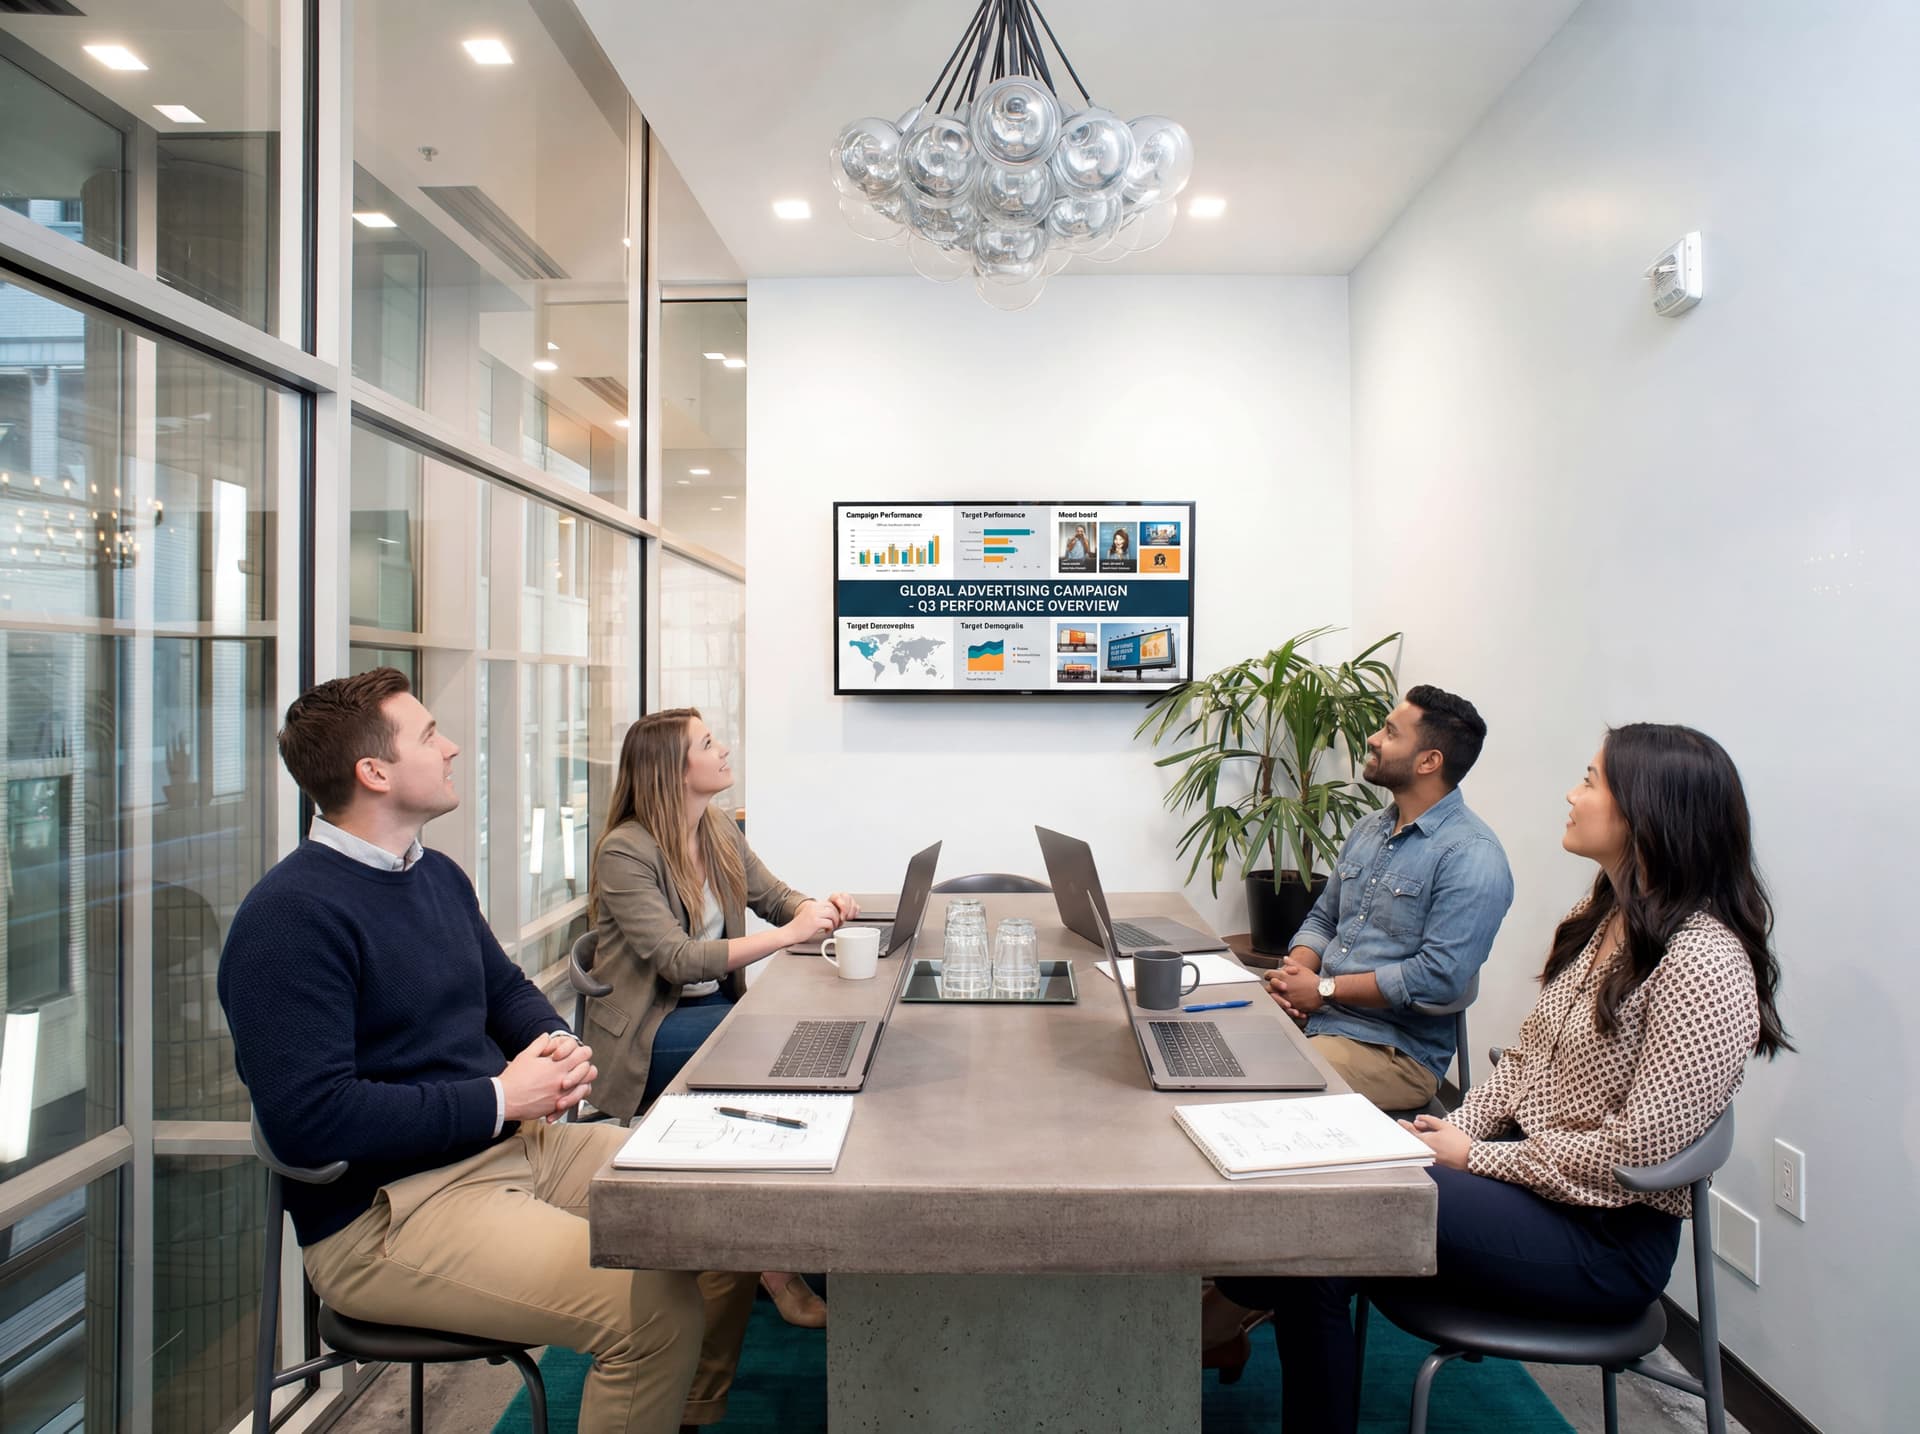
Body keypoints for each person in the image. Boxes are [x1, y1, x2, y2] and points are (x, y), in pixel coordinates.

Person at [1207, 723, 1791, 1430]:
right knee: (1319, 1224)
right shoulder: (1601, 917)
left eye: (1591, 781)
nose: (1572, 795)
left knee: (1334, 1208)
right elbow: (1522, 1068)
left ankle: (1226, 1320)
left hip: (1600, 1239)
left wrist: (1476, 1158)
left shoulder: (1704, 961)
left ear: (1649, 812)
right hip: (1527, 1184)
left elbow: (1641, 1152)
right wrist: (1446, 1133)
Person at [218, 668, 721, 1434]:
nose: (451, 746)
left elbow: (503, 991)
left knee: (722, 1205)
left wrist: (555, 1044)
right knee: (651, 1310)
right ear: (374, 771)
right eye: (429, 735)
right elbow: (308, 1120)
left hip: (515, 1149)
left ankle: (680, 1412)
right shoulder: (288, 920)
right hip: (390, 1215)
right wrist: (498, 1098)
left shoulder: (436, 876)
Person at [586, 708, 854, 1330]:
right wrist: (788, 935)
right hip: (648, 1029)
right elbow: (677, 960)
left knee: (791, 1052)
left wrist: (818, 909)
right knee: (777, 1059)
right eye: (708, 743)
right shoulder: (625, 851)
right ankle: (775, 1264)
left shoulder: (717, 829)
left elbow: (774, 897)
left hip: (710, 1011)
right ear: (673, 771)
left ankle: (787, 1239)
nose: (724, 749)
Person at [1263, 685, 1513, 1110]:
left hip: (1394, 1051)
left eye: (1391, 733)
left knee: (1266, 1073)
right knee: (1219, 1032)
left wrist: (1323, 989)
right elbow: (1324, 920)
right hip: (1322, 1019)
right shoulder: (1369, 829)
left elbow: (1436, 977)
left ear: (1429, 761)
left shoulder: (1473, 856)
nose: (1374, 739)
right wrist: (1295, 976)